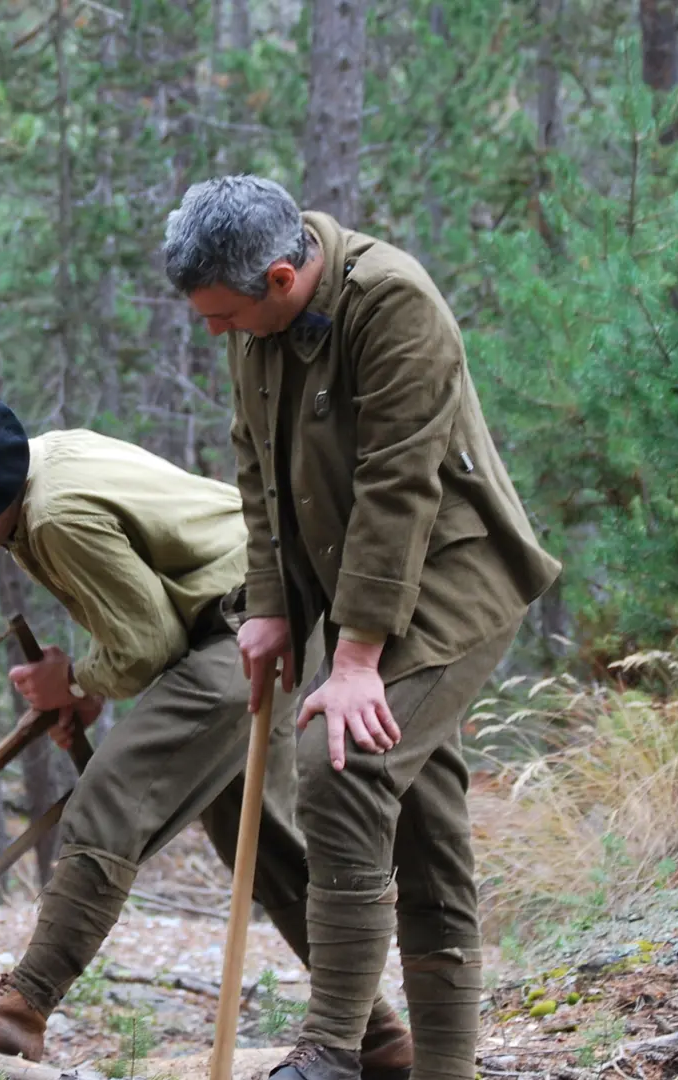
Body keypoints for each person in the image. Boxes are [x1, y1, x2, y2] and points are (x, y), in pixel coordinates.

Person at [0, 396, 412, 1076]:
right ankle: (379, 1039)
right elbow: (140, 606)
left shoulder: (56, 515)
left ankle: (20, 1008)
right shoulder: (49, 463)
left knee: (110, 798)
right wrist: (89, 682)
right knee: (266, 844)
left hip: (246, 624)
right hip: (264, 613)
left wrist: (75, 681)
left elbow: (146, 645)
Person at [162, 175, 562, 1080]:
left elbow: (398, 486)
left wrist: (352, 664)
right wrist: (270, 605)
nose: (217, 334)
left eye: (224, 316)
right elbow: (255, 467)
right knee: (424, 827)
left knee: (344, 758)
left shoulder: (393, 304)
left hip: (450, 575)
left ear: (280, 277)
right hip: (355, 585)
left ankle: (333, 1050)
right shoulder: (257, 320)